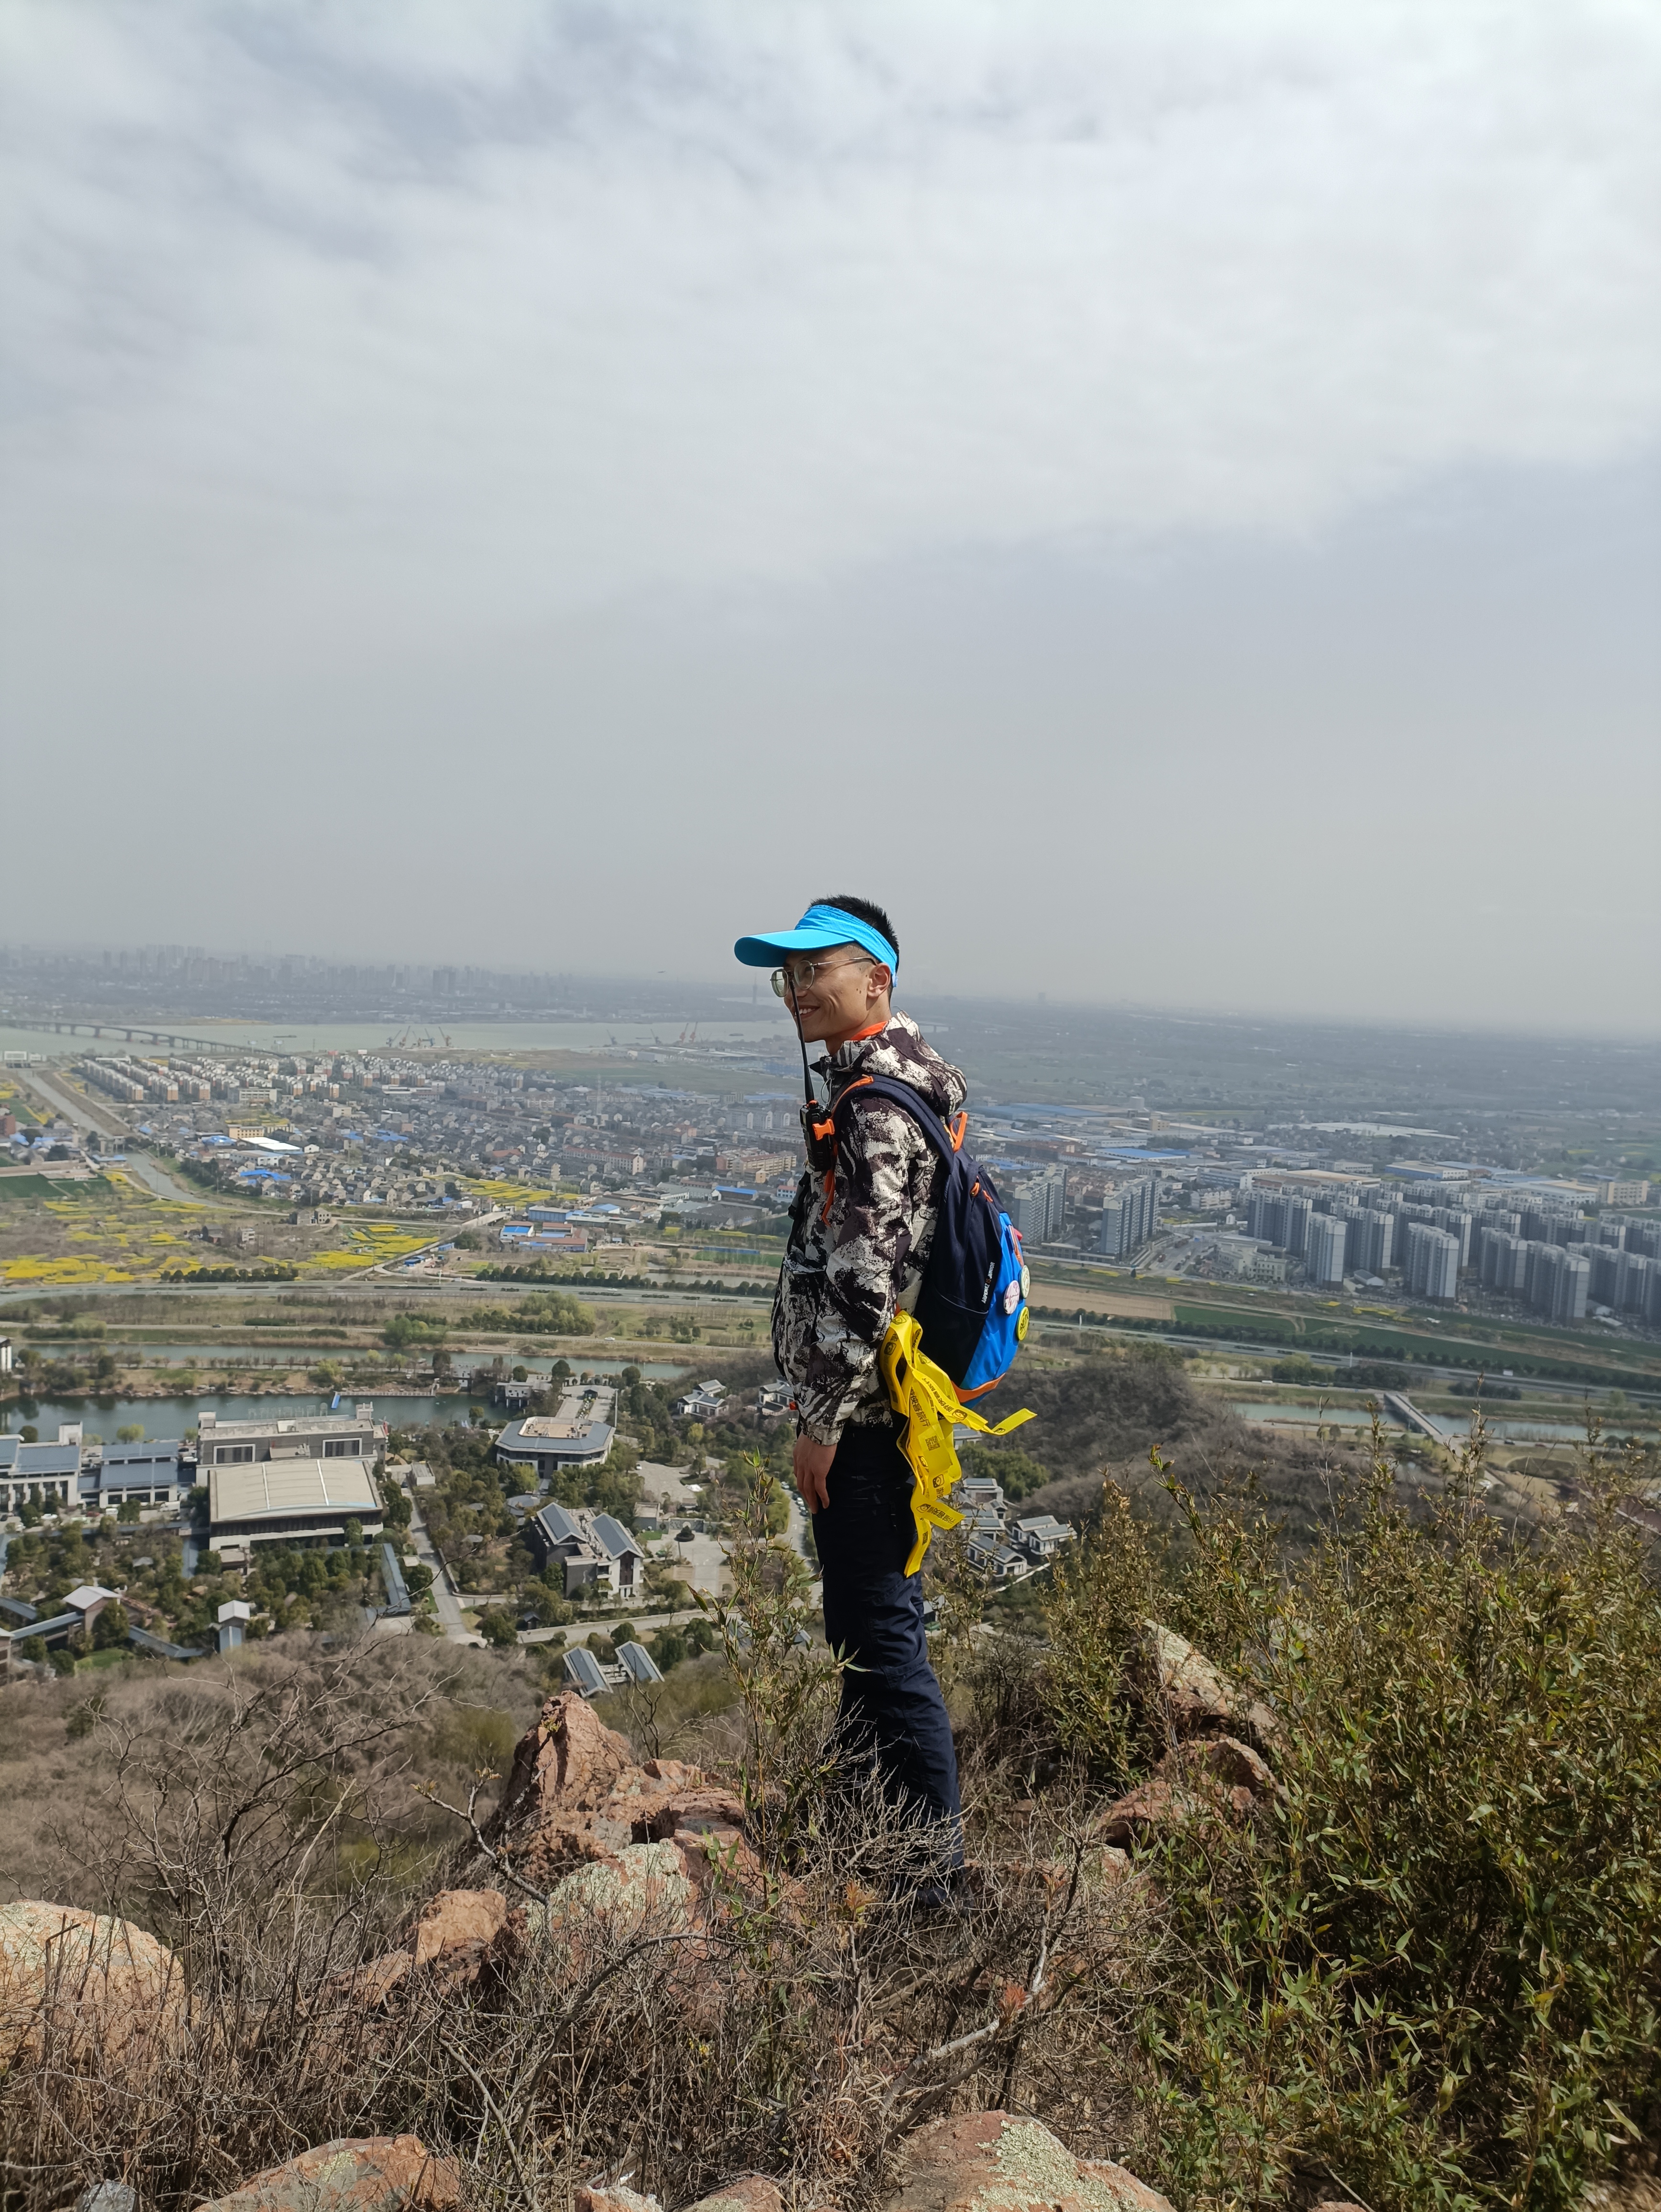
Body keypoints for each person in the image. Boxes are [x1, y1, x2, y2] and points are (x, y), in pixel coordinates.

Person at [733, 894, 966, 1871]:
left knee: (882, 1648)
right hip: (882, 1413)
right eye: (786, 974)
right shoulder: (893, 1084)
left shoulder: (874, 1108)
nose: (796, 989)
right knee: (864, 1640)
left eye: (814, 969)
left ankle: (935, 1882)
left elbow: (862, 1284)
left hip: (863, 1424)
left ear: (877, 978)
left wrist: (819, 1423)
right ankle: (862, 1836)